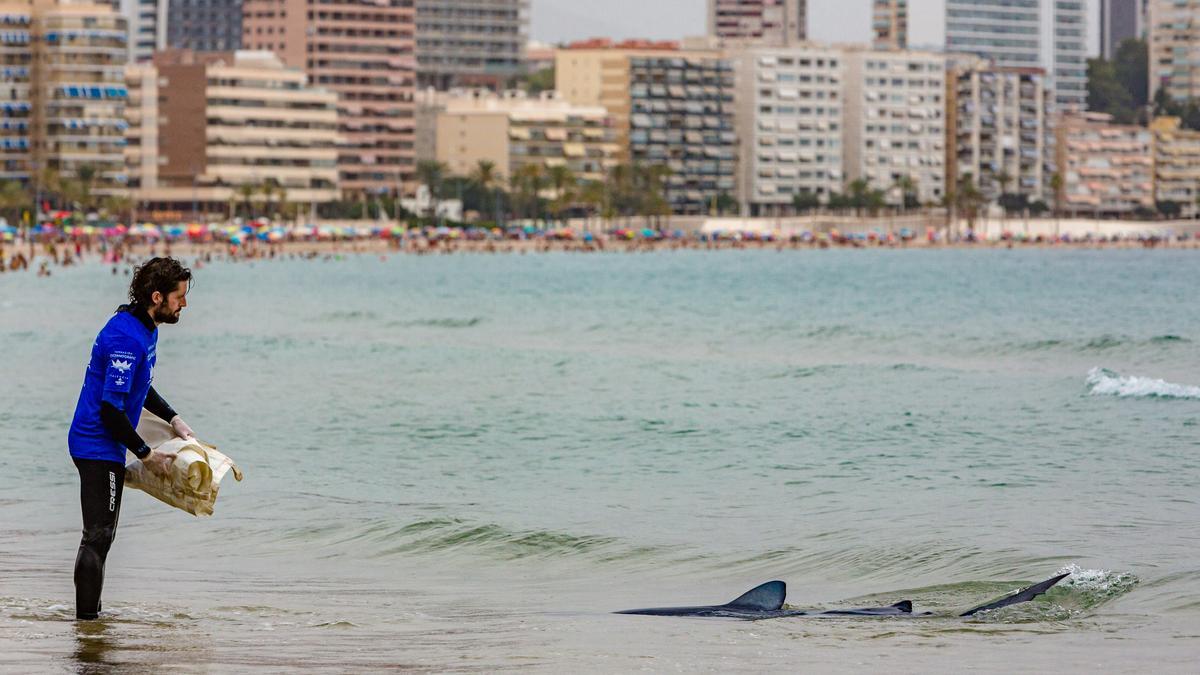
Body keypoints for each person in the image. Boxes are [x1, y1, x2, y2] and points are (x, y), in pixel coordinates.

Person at [67, 257, 195, 620]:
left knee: (102, 537)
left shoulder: (144, 328)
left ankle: (91, 619)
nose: (183, 304)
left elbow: (142, 385)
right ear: (157, 297)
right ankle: (87, 626)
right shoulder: (126, 338)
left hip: (106, 441)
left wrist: (173, 417)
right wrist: (145, 453)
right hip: (97, 443)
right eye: (178, 297)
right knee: (97, 536)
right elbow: (110, 408)